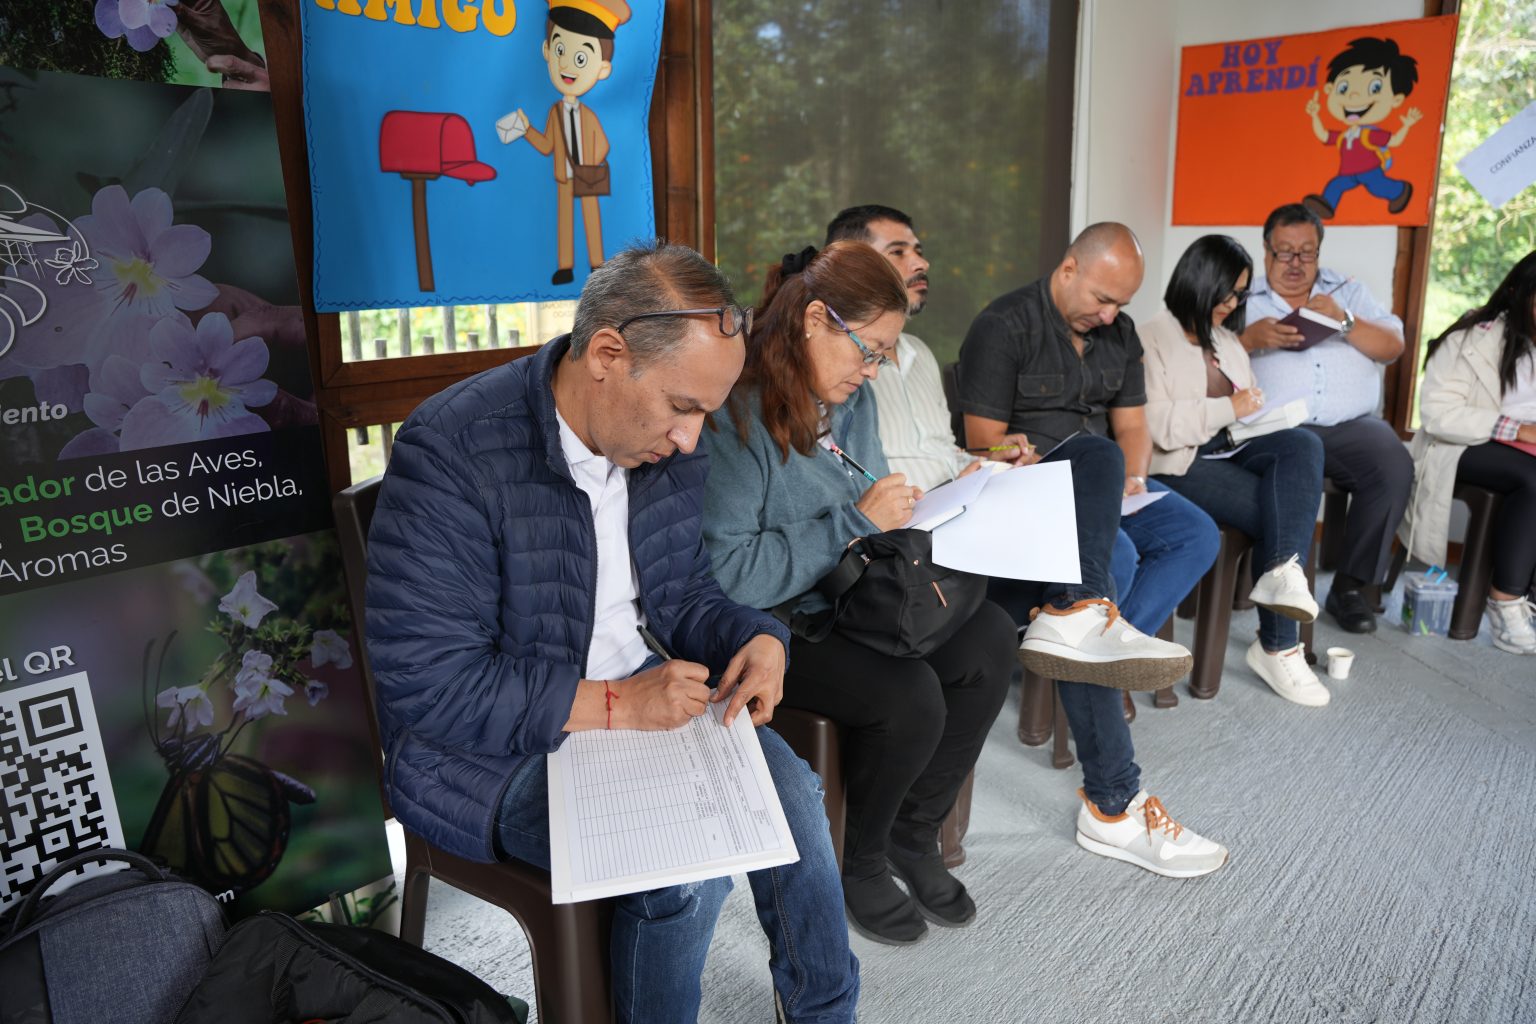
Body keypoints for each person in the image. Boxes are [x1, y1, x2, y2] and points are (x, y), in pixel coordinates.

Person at [365, 241, 859, 1024]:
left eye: (704, 412)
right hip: (483, 752)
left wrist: (759, 637)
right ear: (606, 355)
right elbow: (429, 682)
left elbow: (683, 593)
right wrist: (616, 705)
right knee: (686, 870)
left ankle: (826, 1013)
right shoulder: (454, 447)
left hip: (634, 701)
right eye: (682, 407)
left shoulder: (661, 445)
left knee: (794, 793)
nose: (691, 440)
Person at [700, 241, 1015, 947]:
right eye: (868, 351)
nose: (871, 371)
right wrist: (855, 521)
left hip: (847, 594)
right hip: (774, 623)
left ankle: (914, 832)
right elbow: (731, 574)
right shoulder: (734, 417)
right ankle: (861, 861)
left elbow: (863, 512)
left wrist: (919, 509)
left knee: (991, 638)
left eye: (882, 356)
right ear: (816, 319)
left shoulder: (853, 401)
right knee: (910, 696)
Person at [902, 214, 1229, 879]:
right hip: (1025, 490)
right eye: (1102, 299)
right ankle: (1093, 646)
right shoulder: (1005, 325)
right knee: (1113, 541)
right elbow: (982, 443)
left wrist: (1136, 476)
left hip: (1102, 490)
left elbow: (1131, 425)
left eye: (1120, 305)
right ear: (1069, 268)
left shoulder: (1119, 333)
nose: (1109, 316)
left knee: (1194, 531)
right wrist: (1022, 453)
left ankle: (1096, 632)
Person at [1141, 235, 1329, 706]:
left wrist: (1260, 412)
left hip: (1232, 446)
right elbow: (1157, 427)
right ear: (1199, 280)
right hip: (1177, 463)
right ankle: (1279, 646)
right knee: (1280, 514)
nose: (1232, 304)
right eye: (1227, 292)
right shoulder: (1150, 338)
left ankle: (1282, 577)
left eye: (1241, 294)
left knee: (1304, 443)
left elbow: (1242, 410)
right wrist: (1230, 407)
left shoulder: (1226, 340)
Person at [1241, 203, 1413, 634]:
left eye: (1307, 252)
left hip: (1349, 425)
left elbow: (1392, 346)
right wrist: (1248, 339)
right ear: (1266, 250)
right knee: (1298, 455)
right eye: (1285, 252)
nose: (1296, 264)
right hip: (1274, 426)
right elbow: (1203, 358)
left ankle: (1350, 587)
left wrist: (1344, 321)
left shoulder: (1347, 291)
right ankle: (1278, 589)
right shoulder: (1243, 297)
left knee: (1392, 464)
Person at [1401, 251, 1536, 654]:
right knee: (1533, 479)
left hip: (1524, 448)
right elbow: (1438, 413)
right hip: (1462, 444)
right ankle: (1505, 601)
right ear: (1517, 293)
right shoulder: (1473, 337)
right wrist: (1518, 430)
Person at [505, 0, 630, 284]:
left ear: (602, 69)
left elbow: (603, 144)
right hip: (563, 177)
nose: (567, 65)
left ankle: (598, 265)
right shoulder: (554, 112)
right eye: (560, 50)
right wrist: (526, 130)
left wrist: (589, 163)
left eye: (581, 58)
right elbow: (547, 145)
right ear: (547, 51)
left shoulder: (589, 115)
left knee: (591, 219)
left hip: (587, 176)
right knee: (564, 222)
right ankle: (565, 267)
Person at [1301, 36, 1423, 220]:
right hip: (1347, 173)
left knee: (1378, 187)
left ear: (1396, 99)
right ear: (1329, 89)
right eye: (1343, 88)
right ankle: (1327, 206)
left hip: (1369, 171)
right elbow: (1324, 135)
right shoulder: (1345, 135)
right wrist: (1315, 116)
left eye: (1374, 87)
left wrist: (1407, 125)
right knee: (1335, 185)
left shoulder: (1369, 134)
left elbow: (1395, 141)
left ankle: (1399, 190)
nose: (1354, 96)